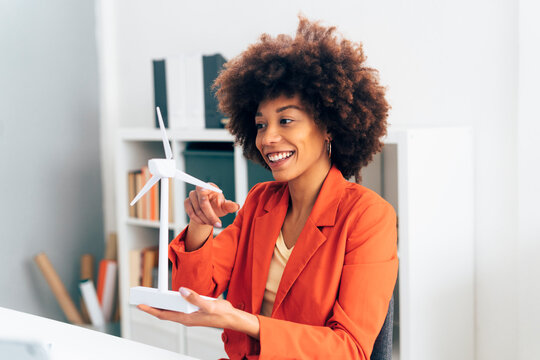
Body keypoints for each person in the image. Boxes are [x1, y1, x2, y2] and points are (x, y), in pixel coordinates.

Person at [138, 15, 398, 360]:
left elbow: (348, 349)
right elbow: (193, 293)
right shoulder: (261, 201)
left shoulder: (367, 216)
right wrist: (201, 224)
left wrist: (244, 322)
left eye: (286, 120)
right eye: (260, 125)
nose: (268, 138)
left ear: (329, 127)